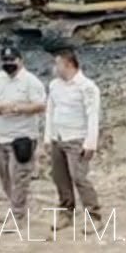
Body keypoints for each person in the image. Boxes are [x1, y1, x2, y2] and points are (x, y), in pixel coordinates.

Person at [0, 45, 47, 225]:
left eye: (12, 60)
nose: (8, 64)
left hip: (22, 137)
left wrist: (17, 108)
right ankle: (15, 209)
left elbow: (41, 105)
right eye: (5, 61)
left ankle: (18, 216)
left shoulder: (31, 81)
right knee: (6, 178)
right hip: (1, 136)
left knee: (19, 178)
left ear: (20, 61)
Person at [44, 48, 102, 229]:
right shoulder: (54, 86)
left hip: (77, 138)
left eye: (58, 64)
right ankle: (66, 212)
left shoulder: (87, 87)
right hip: (58, 137)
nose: (55, 68)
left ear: (68, 64)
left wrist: (90, 142)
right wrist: (48, 137)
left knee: (79, 177)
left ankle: (94, 215)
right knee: (60, 177)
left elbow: (93, 115)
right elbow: (50, 112)